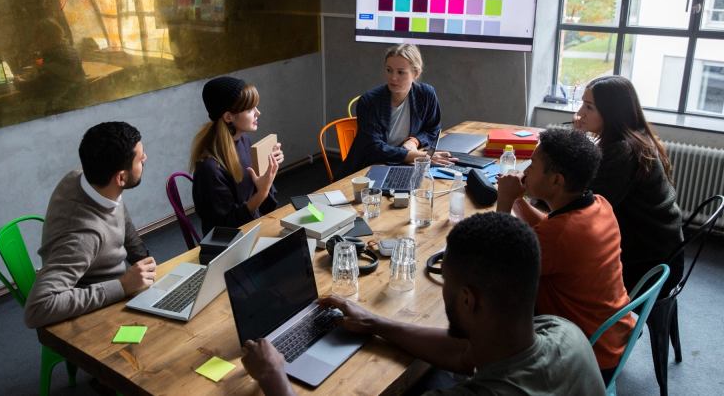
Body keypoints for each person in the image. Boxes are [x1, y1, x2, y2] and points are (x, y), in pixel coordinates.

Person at [241, 212, 606, 395]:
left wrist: (274, 377)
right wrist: (374, 322)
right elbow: (465, 353)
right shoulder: (565, 333)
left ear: (467, 299)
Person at [496, 128, 633, 381]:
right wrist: (517, 200)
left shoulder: (560, 236)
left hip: (587, 356)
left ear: (556, 181)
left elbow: (496, 266)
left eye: (532, 165)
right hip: (613, 336)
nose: (526, 170)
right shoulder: (599, 204)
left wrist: (504, 201)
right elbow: (549, 225)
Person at [24, 122, 156, 328]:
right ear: (121, 177)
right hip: (100, 313)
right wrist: (122, 286)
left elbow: (121, 217)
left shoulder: (83, 178)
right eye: (140, 158)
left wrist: (146, 264)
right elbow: (38, 308)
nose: (145, 158)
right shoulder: (83, 236)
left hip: (121, 288)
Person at [574, 75, 684, 294]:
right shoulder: (634, 138)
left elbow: (585, 206)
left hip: (647, 265)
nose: (580, 113)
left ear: (611, 112)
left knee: (558, 264)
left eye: (589, 107)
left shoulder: (624, 151)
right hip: (662, 252)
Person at [337, 44, 453, 178]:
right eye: (389, 70)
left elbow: (432, 129)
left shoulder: (426, 94)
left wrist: (414, 141)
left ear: (416, 73)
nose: (393, 77)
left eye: (400, 72)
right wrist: (420, 156)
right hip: (367, 169)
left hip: (403, 164)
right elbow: (374, 148)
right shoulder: (369, 101)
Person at [191, 76, 284, 235]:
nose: (258, 113)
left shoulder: (243, 140)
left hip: (253, 227)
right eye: (250, 109)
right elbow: (226, 228)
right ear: (228, 117)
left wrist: (268, 171)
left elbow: (263, 204)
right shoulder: (209, 168)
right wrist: (262, 192)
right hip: (230, 242)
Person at [14, 18, 85, 115]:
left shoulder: (55, 55)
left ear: (45, 37)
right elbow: (47, 68)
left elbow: (38, 86)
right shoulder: (69, 50)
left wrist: (19, 82)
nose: (37, 42)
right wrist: (40, 61)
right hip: (75, 101)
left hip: (59, 107)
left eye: (38, 39)